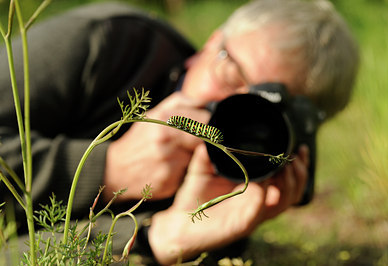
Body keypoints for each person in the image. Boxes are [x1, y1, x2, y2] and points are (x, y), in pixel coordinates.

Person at [0, 0, 359, 264]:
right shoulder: (106, 44)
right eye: (232, 75)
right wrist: (107, 167)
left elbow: (19, 255)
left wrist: (163, 238)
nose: (232, 112)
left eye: (260, 113)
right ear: (211, 43)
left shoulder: (231, 193)